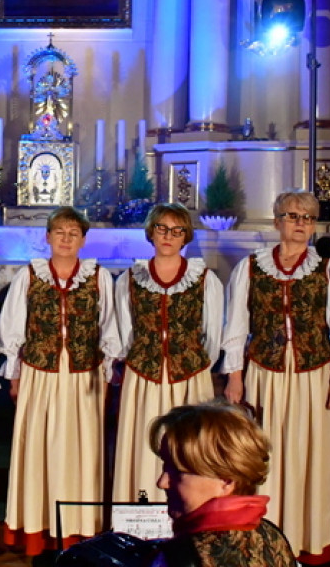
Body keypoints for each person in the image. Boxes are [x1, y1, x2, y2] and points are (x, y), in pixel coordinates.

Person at [222, 189, 330, 564]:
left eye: (307, 218)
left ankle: (306, 540)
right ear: (277, 221)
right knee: (265, 456)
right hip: (265, 374)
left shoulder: (329, 268)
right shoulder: (251, 267)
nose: (300, 224)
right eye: (293, 216)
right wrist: (235, 376)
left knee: (308, 455)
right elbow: (235, 326)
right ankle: (263, 536)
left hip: (313, 374)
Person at [1, 206, 121, 556]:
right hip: (40, 371)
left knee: (81, 449)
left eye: (73, 234)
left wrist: (105, 369)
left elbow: (110, 325)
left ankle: (78, 531)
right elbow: (13, 327)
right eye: (60, 232)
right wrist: (15, 373)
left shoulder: (98, 277)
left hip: (84, 374)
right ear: (48, 237)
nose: (66, 239)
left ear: (83, 240)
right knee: (39, 446)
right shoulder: (29, 276)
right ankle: (39, 528)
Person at [112, 203, 224, 504]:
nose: (168, 236)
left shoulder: (203, 278)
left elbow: (212, 334)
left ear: (185, 236)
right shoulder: (131, 279)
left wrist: (191, 361)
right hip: (144, 376)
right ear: (151, 232)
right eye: (162, 228)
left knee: (187, 445)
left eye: (177, 230)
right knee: (145, 443)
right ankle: (141, 514)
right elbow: (125, 330)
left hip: (188, 377)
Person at [147, 401, 297, 567]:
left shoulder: (181, 557)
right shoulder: (271, 535)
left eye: (178, 472)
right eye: (165, 467)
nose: (162, 483)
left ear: (226, 480)